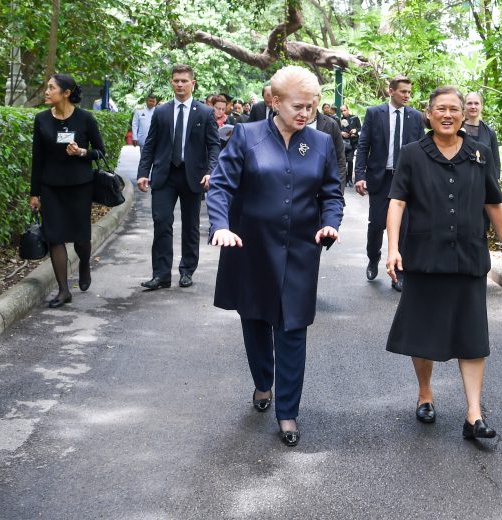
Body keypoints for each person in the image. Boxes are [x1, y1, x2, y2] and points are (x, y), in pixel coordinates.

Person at [206, 65, 343, 447]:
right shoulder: (246, 136)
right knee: (255, 321)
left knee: (292, 329)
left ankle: (287, 412)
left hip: (300, 250)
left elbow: (331, 193)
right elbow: (220, 186)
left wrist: (330, 223)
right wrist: (220, 225)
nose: (306, 113)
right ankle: (262, 383)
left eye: (312, 106)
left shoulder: (319, 143)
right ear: (274, 101)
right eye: (298, 106)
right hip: (249, 247)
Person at [385, 85, 502, 441]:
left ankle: (473, 414)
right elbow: (397, 202)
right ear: (428, 114)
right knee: (422, 332)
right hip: (425, 258)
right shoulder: (412, 154)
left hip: (468, 257)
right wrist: (392, 248)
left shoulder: (480, 153)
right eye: (440, 109)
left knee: (472, 336)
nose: (448, 115)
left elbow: (493, 202)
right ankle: (425, 393)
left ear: (464, 115)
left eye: (454, 109)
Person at [136, 64, 220, 290]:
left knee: (191, 225)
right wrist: (143, 173)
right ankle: (161, 275)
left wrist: (211, 172)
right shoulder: (162, 112)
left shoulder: (205, 112)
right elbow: (150, 144)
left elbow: (214, 146)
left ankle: (187, 270)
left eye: (184, 80)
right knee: (161, 222)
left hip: (193, 176)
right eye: (176, 80)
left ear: (193, 83)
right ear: (171, 83)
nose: (180, 84)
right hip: (165, 176)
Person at [29, 74, 106, 307]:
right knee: (55, 238)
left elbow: (100, 152)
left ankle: (84, 263)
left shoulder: (85, 118)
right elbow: (37, 159)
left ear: (66, 93)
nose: (46, 91)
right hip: (50, 187)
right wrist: (35, 193)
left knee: (81, 238)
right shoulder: (41, 119)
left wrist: (82, 152)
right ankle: (64, 291)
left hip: (80, 186)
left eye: (51, 87)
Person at [354, 75, 423, 291]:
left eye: (409, 92)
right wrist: (359, 175)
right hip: (380, 178)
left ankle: (398, 273)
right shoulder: (375, 114)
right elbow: (364, 145)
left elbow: (421, 149)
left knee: (403, 228)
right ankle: (373, 258)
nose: (407, 96)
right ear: (391, 91)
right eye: (403, 92)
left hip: (406, 181)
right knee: (376, 225)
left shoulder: (416, 117)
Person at [306, 97, 347, 186]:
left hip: (325, 186)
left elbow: (340, 159)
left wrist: (338, 192)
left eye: (313, 95)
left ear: (319, 98)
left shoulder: (331, 123)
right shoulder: (291, 123)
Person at [464, 91, 501, 181]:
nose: (473, 106)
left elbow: (495, 163)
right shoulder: (456, 130)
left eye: (476, 103)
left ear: (481, 106)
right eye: (469, 103)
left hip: (483, 182)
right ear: (463, 106)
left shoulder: (490, 132)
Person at [339, 104, 361, 187]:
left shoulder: (354, 118)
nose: (343, 112)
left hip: (352, 143)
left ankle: (350, 179)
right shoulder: (340, 120)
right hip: (342, 143)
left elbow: (360, 128)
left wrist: (355, 130)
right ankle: (344, 180)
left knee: (350, 160)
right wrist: (341, 133)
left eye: (344, 110)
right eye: (341, 111)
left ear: (348, 110)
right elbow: (337, 130)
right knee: (343, 162)